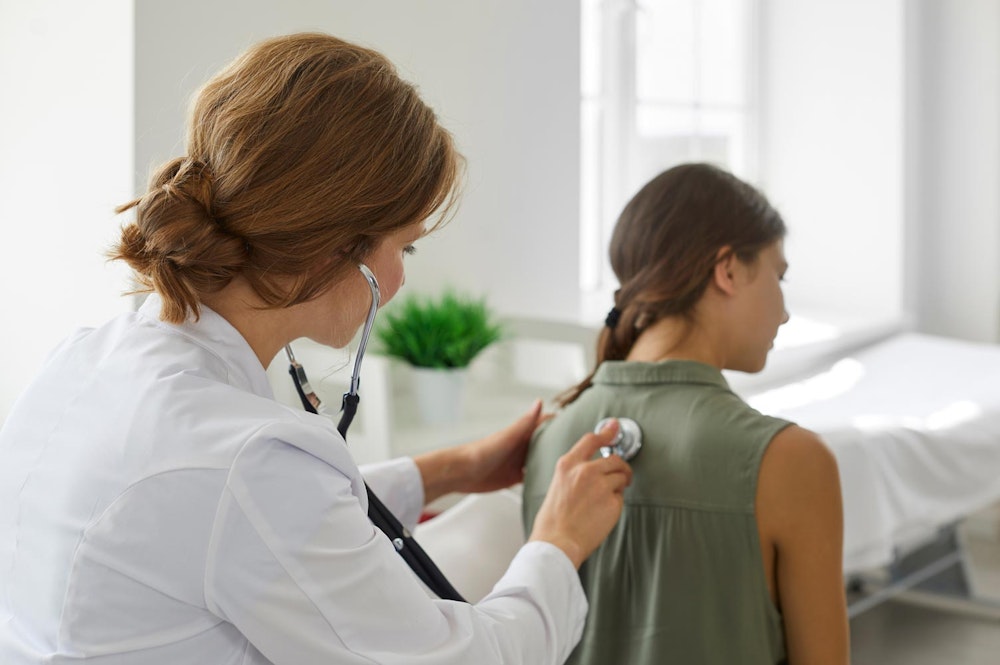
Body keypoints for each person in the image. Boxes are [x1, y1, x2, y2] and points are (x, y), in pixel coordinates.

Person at [0, 33, 633, 665]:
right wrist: (559, 542)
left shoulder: (86, 359)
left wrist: (453, 469)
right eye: (403, 248)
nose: (402, 281)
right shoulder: (245, 461)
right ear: (340, 247)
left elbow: (263, 526)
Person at [522, 163, 849, 664]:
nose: (784, 310)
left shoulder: (553, 439)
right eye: (778, 275)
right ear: (729, 270)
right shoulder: (791, 460)